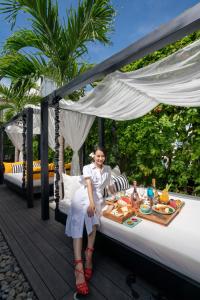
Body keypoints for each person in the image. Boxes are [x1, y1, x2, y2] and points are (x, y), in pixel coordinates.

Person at [65, 145, 115, 295]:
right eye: (98, 156)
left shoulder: (107, 169)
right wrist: (91, 203)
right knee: (80, 220)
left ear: (105, 157)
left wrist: (114, 199)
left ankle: (89, 254)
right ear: (94, 156)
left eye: (102, 156)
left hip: (97, 198)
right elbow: (88, 185)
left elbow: (109, 187)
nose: (100, 159)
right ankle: (79, 267)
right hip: (84, 195)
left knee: (93, 218)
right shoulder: (87, 167)